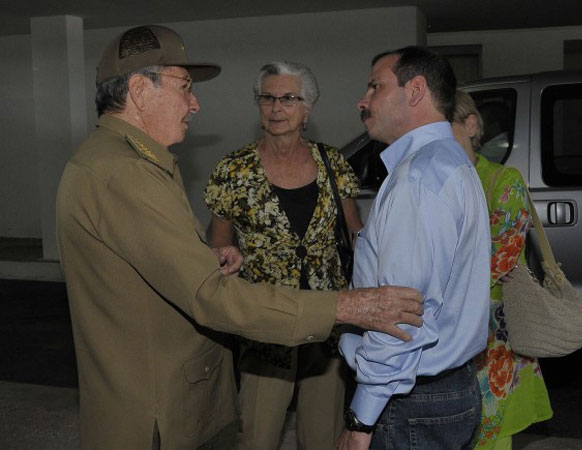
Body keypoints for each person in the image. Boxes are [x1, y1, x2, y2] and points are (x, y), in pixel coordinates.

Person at [55, 25, 426, 450]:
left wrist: (204, 259)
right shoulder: (127, 173)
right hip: (160, 403)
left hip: (288, 339)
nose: (194, 104)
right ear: (140, 90)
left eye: (288, 98)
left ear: (307, 108)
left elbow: (151, 266)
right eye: (185, 88)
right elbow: (210, 296)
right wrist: (349, 305)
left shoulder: (123, 161)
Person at [336, 46, 491, 450]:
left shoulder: (418, 178)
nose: (363, 100)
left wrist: (361, 420)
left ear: (416, 90)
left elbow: (401, 318)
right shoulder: (451, 161)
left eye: (375, 86)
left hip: (409, 400)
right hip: (445, 390)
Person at [204, 60, 363, 450]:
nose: (277, 108)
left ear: (307, 108)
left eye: (289, 98)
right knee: (257, 433)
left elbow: (355, 235)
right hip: (265, 319)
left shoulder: (332, 163)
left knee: (323, 435)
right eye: (268, 98)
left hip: (326, 318)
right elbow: (218, 249)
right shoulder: (234, 170)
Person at [452, 90, 553, 450]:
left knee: (491, 433)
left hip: (492, 330)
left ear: (471, 125)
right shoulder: (432, 181)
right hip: (447, 333)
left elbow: (502, 257)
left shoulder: (502, 180)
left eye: (443, 127)